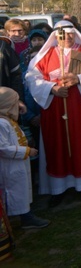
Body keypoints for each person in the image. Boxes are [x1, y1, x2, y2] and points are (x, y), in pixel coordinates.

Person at [25, 20, 81, 206]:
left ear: (75, 33)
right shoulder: (45, 56)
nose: (67, 38)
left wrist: (79, 78)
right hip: (55, 109)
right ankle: (58, 188)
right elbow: (32, 79)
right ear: (56, 36)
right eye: (62, 35)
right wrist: (52, 89)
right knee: (57, 145)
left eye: (71, 33)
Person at [0, 87, 50, 229]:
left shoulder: (7, 120)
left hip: (17, 164)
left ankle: (23, 216)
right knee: (13, 191)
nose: (18, 105)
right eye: (15, 103)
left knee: (20, 189)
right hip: (9, 166)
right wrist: (26, 151)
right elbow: (2, 148)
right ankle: (23, 218)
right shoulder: (2, 124)